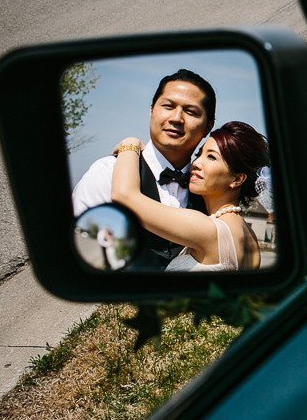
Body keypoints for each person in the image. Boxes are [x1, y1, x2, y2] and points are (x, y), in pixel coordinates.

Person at [72, 69, 216, 270]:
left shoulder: (212, 191)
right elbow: (80, 255)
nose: (176, 118)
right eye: (168, 106)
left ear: (208, 126)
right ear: (151, 111)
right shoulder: (107, 172)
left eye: (191, 112)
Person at [111, 121, 269, 271]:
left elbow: (124, 195)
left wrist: (130, 144)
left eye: (211, 157)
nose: (196, 163)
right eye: (199, 154)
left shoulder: (209, 229)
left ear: (237, 179)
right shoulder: (249, 235)